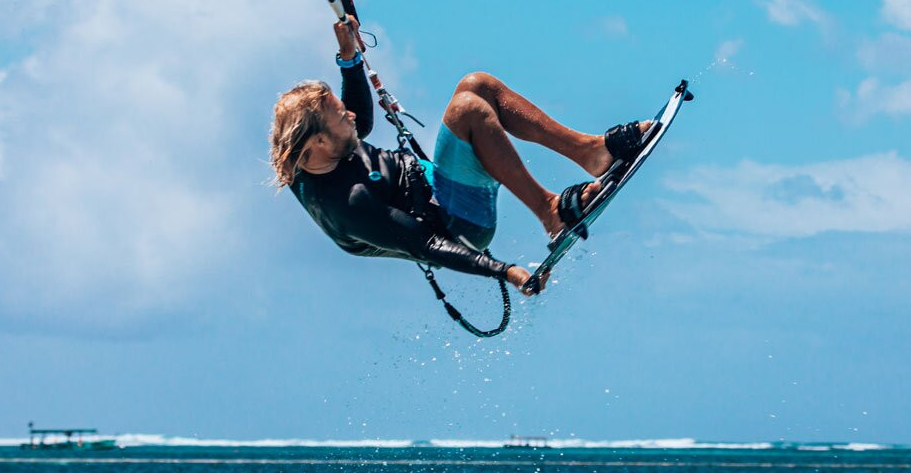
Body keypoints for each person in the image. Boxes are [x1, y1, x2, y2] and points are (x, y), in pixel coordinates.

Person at [269, 18, 651, 294]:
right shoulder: (349, 204)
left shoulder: (318, 152)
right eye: (340, 116)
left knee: (477, 84)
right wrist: (505, 271)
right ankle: (550, 211)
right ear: (317, 143)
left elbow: (360, 124)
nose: (349, 115)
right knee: (467, 109)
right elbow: (426, 245)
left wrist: (349, 58)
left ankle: (592, 152)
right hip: (456, 225)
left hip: (439, 184)